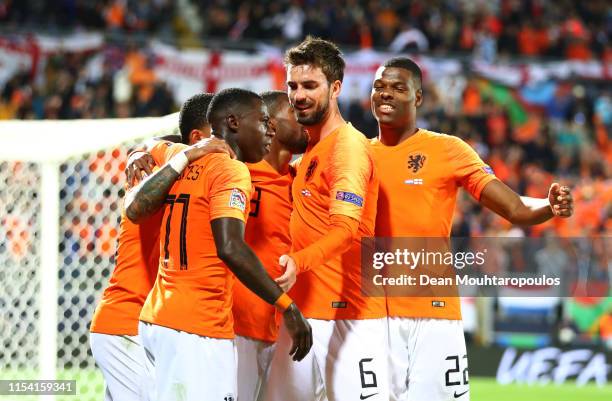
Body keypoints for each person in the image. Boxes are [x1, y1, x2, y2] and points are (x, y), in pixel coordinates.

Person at [370, 56, 574, 401]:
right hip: (371, 316)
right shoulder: (355, 154)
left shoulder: (448, 150)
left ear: (418, 97)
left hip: (432, 315)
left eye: (397, 87)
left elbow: (514, 206)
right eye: (379, 87)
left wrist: (548, 207)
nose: (386, 94)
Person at [125, 88, 313, 401]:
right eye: (263, 120)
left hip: (161, 318)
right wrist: (287, 306)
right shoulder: (231, 169)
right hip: (197, 328)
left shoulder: (183, 158)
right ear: (233, 122)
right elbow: (230, 247)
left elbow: (155, 151)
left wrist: (140, 153)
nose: (270, 128)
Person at [263, 37, 388, 401]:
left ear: (335, 88)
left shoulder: (347, 148)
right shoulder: (311, 152)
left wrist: (297, 263)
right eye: (293, 86)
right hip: (302, 314)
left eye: (310, 86)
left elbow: (346, 229)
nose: (298, 95)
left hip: (347, 318)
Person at [89, 93, 230, 401]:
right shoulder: (153, 174)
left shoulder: (200, 176)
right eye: (219, 133)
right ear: (196, 138)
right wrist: (143, 152)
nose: (227, 142)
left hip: (146, 326)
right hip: (127, 324)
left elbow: (156, 144)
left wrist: (142, 148)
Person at [233, 90, 308, 401]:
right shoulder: (238, 174)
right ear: (272, 127)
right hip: (234, 325)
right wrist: (147, 149)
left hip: (279, 330)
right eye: (294, 114)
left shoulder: (299, 181)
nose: (303, 119)